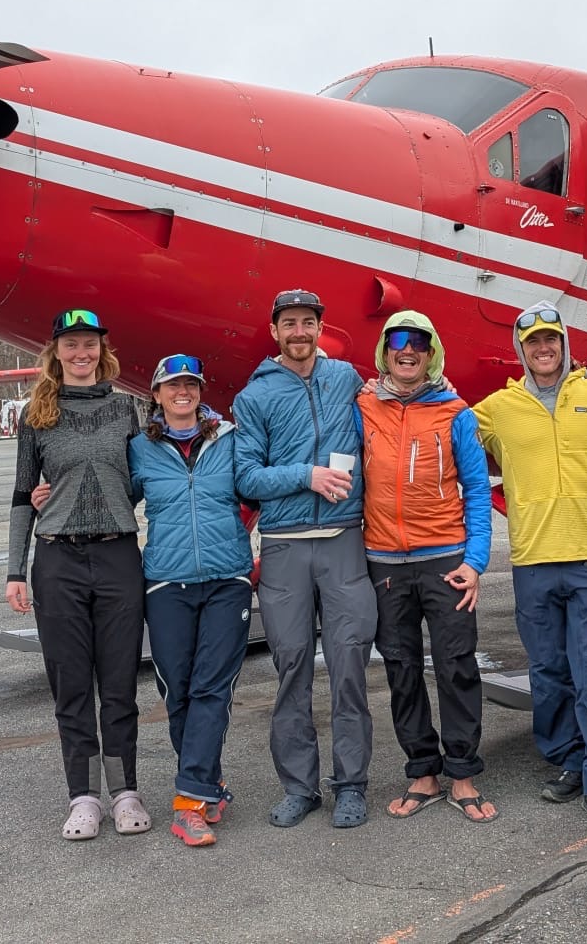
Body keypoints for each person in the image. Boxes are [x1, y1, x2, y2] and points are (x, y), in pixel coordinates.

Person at [469, 301, 587, 831]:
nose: (543, 350)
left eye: (551, 340)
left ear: (565, 344)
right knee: (547, 672)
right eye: (533, 343)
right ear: (520, 351)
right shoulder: (497, 408)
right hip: (533, 561)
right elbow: (441, 436)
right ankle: (568, 759)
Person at [232, 288, 380, 830]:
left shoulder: (345, 379)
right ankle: (299, 787)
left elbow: (390, 407)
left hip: (343, 540)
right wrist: (306, 475)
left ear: (322, 327)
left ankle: (351, 785)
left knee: (348, 669)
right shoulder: (254, 398)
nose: (299, 331)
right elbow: (246, 477)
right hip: (286, 546)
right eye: (289, 323)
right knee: (292, 667)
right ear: (275, 331)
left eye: (308, 322)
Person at [5, 309, 150, 841]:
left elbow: (138, 482)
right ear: (56, 351)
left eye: (89, 343)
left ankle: (125, 792)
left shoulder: (125, 410)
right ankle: (83, 797)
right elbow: (24, 494)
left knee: (118, 686)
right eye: (71, 345)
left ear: (101, 349)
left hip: (117, 557)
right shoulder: (36, 413)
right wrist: (14, 570)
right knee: (71, 687)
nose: (81, 353)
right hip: (58, 561)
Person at [356, 311, 497, 824]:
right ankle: (423, 771)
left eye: (419, 341)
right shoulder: (363, 407)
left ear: (432, 351)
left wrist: (475, 562)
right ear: (385, 351)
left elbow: (478, 490)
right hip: (385, 561)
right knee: (401, 668)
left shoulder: (456, 413)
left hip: (444, 558)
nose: (407, 350)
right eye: (397, 340)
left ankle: (461, 774)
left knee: (457, 664)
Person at [131, 353, 253, 847]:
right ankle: (209, 782)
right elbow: (110, 500)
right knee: (176, 690)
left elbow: (259, 484)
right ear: (156, 394)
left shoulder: (229, 440)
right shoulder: (138, 449)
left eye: (192, 384)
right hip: (166, 582)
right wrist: (49, 495)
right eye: (173, 385)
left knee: (210, 687)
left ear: (201, 392)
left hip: (227, 579)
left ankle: (189, 804)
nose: (184, 392)